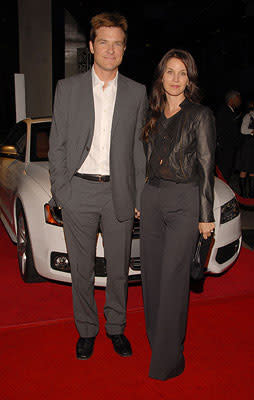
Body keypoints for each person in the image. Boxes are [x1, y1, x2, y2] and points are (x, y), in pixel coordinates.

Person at [48, 12, 147, 360]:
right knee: (82, 270)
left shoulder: (137, 92)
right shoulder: (68, 88)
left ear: (123, 49)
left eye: (117, 44)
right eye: (103, 42)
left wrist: (138, 195)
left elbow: (138, 148)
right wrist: (61, 191)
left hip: (118, 192)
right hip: (79, 191)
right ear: (91, 46)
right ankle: (87, 329)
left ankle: (116, 327)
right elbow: (56, 144)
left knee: (119, 269)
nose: (110, 49)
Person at [140, 49, 216, 380]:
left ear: (189, 79)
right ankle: (159, 341)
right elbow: (143, 158)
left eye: (181, 73)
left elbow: (206, 166)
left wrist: (205, 214)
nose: (174, 78)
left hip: (185, 200)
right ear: (161, 77)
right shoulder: (152, 113)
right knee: (152, 279)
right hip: (152, 198)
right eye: (169, 72)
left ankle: (167, 362)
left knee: (172, 280)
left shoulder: (200, 115)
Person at [216, 90, 242, 181]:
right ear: (232, 99)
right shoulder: (224, 111)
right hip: (225, 147)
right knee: (224, 170)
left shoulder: (232, 112)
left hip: (230, 146)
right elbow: (223, 130)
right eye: (238, 99)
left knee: (228, 169)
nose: (240, 101)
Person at [236, 99, 254, 197]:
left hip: (252, 146)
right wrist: (252, 132)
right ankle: (243, 194)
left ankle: (251, 194)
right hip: (247, 146)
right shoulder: (248, 116)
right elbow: (243, 130)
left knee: (252, 170)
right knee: (244, 169)